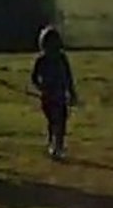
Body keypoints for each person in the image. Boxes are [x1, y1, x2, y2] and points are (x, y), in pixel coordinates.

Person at [31, 25, 78, 159]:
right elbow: (34, 77)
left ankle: (58, 145)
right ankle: (53, 143)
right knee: (53, 121)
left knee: (61, 121)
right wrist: (41, 87)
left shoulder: (61, 58)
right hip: (48, 96)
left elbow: (68, 76)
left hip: (60, 95)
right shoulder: (41, 60)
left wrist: (71, 92)